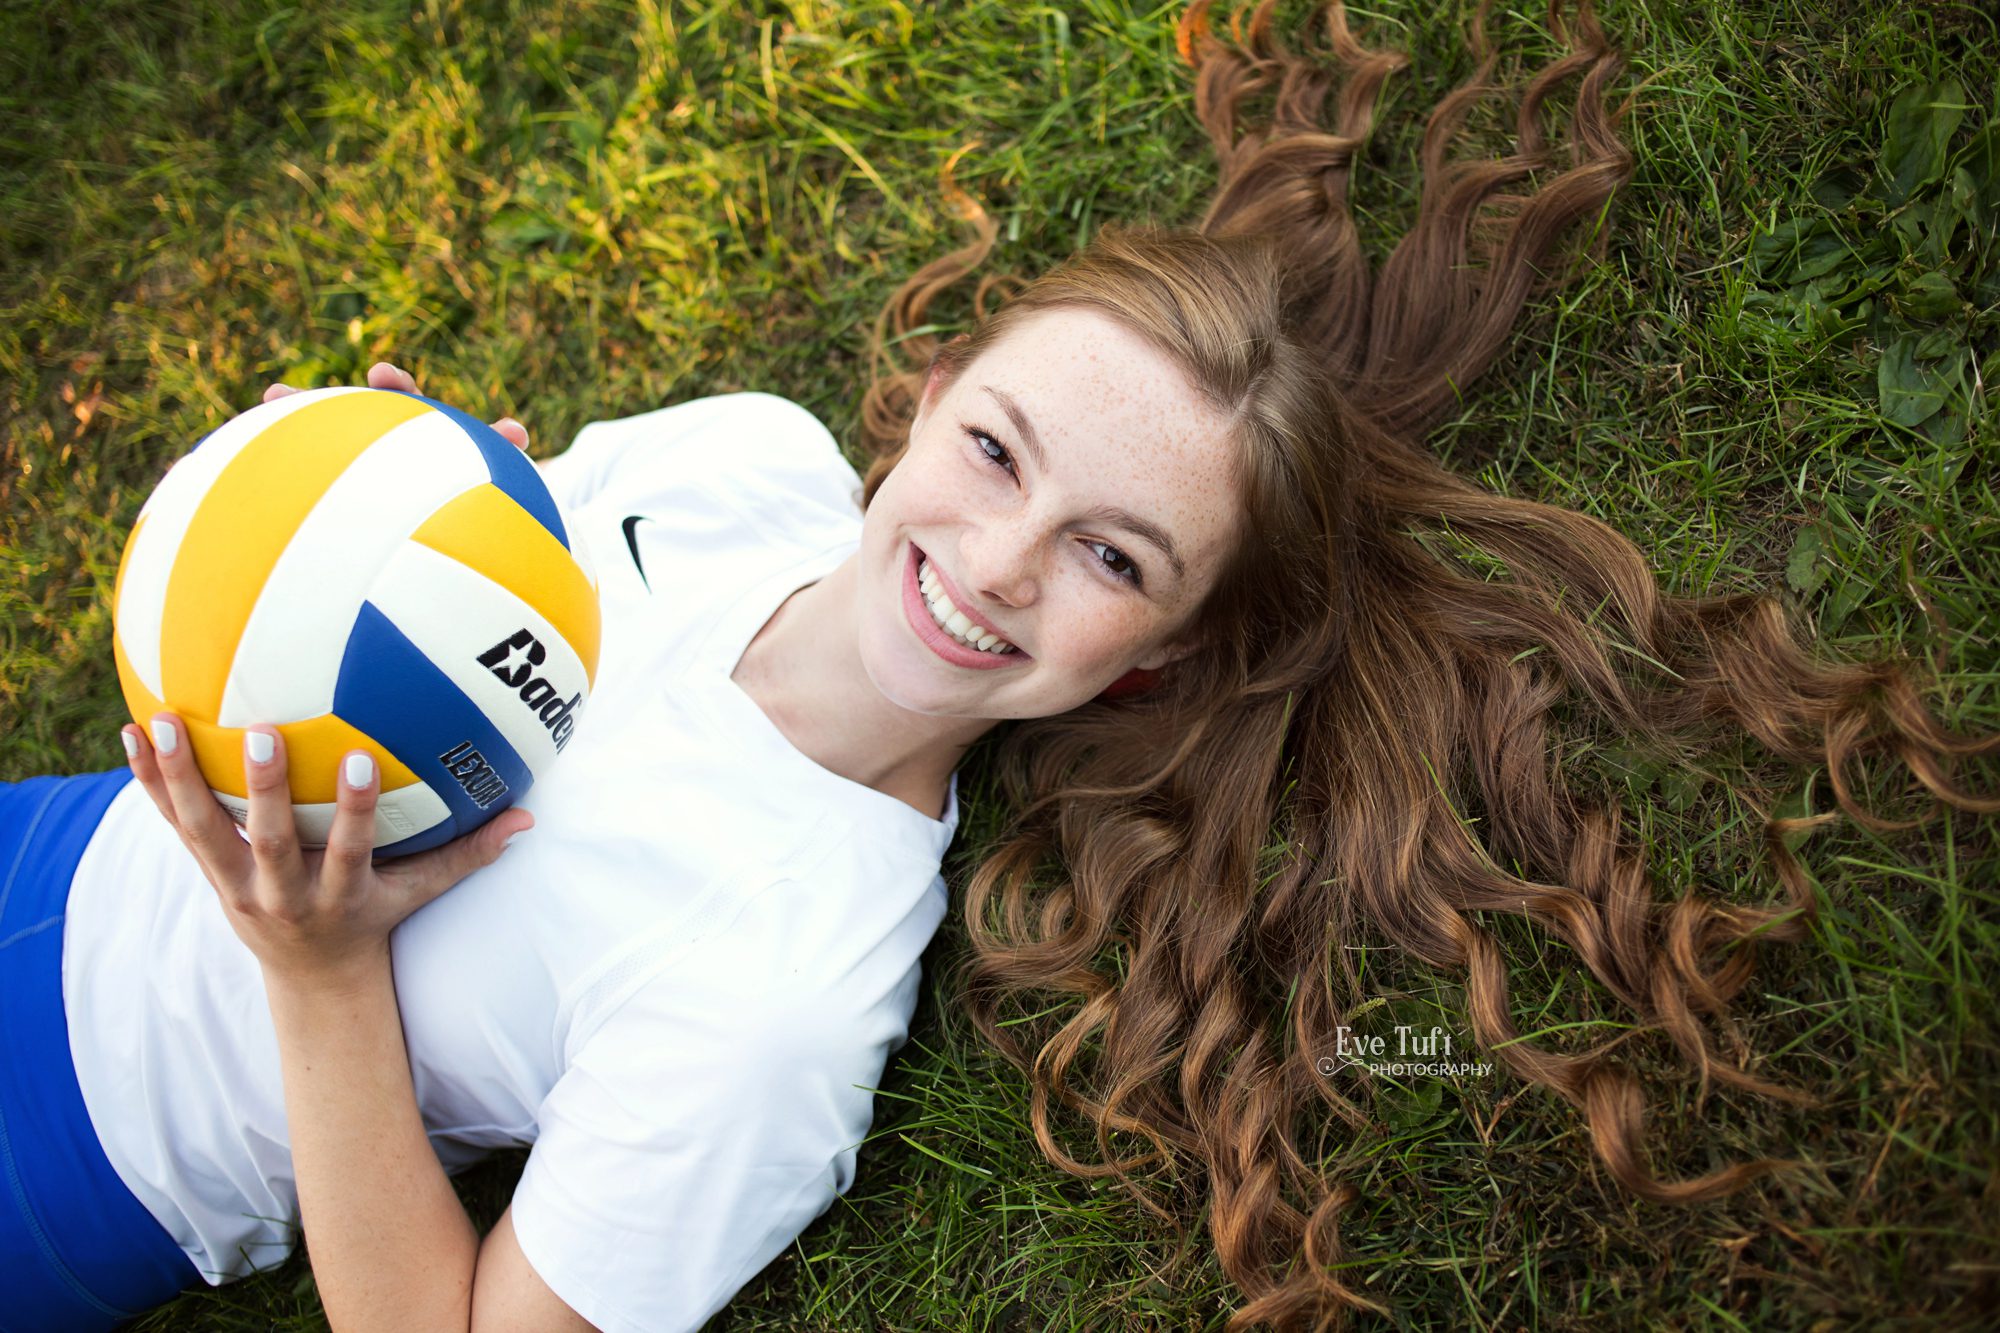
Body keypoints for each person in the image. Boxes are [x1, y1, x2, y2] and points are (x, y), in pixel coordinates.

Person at [4, 1, 1996, 1331]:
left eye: (1111, 556)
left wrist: (322, 974)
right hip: (54, 842)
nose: (994, 558)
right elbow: (458, 607)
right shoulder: (744, 463)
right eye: (993, 451)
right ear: (927, 397)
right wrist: (386, 510)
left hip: (82, 1141)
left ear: (1157, 658)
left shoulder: (781, 998)